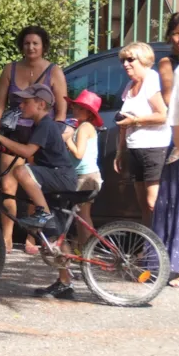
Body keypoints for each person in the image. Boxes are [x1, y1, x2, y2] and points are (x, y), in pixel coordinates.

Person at [0, 25, 68, 253]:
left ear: (43, 46)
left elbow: (61, 110)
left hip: (39, 136)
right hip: (12, 134)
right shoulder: (10, 69)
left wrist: (56, 136)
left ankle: (34, 238)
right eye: (26, 43)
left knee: (34, 185)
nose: (30, 47)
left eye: (35, 43)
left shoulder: (54, 71)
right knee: (8, 186)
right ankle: (6, 238)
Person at [0, 83, 76, 251]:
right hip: (56, 176)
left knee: (21, 170)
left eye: (26, 102)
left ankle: (43, 213)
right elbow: (26, 154)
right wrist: (0, 147)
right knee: (55, 233)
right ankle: (64, 276)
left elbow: (27, 152)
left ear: (41, 104)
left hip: (61, 176)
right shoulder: (38, 125)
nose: (20, 105)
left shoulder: (45, 125)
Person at [155, 13, 179, 288]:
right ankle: (175, 264)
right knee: (176, 200)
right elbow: (171, 100)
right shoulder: (170, 64)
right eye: (176, 33)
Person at [114, 41, 171, 227]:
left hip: (154, 148)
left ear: (144, 60)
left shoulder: (151, 80)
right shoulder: (130, 86)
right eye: (123, 60)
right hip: (135, 149)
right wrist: (120, 152)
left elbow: (162, 115)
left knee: (153, 203)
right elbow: (123, 122)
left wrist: (136, 121)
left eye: (130, 59)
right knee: (143, 206)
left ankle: (163, 246)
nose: (125, 64)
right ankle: (148, 247)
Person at [61, 90, 104, 247]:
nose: (74, 109)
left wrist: (67, 140)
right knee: (80, 213)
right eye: (74, 106)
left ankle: (88, 248)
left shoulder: (85, 127)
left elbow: (79, 154)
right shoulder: (82, 126)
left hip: (87, 176)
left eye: (79, 108)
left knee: (83, 215)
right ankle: (82, 246)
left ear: (88, 112)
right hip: (82, 175)